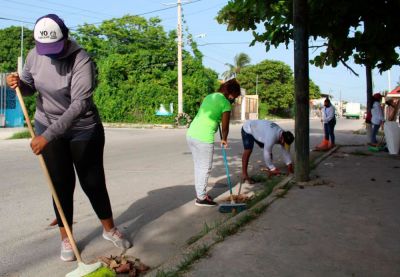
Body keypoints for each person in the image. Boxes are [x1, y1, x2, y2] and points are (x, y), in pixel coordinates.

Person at [6, 14, 131, 262]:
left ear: (66, 36)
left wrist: (47, 137)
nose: (50, 54)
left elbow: (79, 105)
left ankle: (109, 230)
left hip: (83, 129)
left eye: (54, 48)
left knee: (92, 182)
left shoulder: (81, 59)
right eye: (45, 49)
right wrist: (19, 83)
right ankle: (67, 237)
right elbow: (31, 87)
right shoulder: (34, 55)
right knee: (60, 185)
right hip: (47, 123)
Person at [186, 79, 241, 207]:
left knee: (198, 166)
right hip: (204, 138)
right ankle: (201, 198)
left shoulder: (210, 96)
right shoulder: (225, 103)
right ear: (231, 94)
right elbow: (225, 126)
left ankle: (201, 194)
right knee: (205, 168)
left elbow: (209, 114)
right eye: (235, 97)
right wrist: (224, 139)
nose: (234, 100)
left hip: (191, 134)